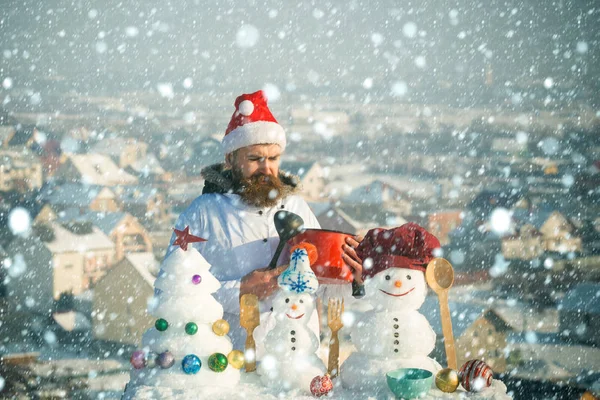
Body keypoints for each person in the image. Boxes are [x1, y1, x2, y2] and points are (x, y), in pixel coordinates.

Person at [165, 90, 363, 351]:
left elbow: (322, 285)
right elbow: (173, 288)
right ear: (231, 159)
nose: (266, 169)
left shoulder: (295, 206)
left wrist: (355, 277)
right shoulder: (202, 213)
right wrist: (239, 290)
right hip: (228, 358)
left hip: (296, 355)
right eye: (255, 159)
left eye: (273, 159)